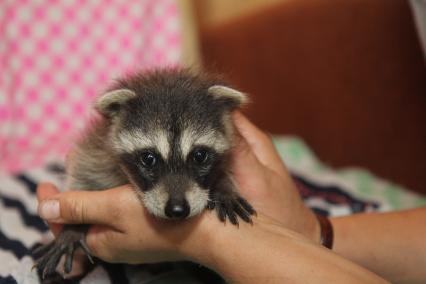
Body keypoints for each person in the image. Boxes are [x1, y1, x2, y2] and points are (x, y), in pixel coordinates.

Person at [37, 112, 426, 283]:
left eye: (201, 158)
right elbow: (83, 182)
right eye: (150, 160)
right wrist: (307, 233)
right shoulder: (101, 153)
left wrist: (210, 238)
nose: (176, 204)